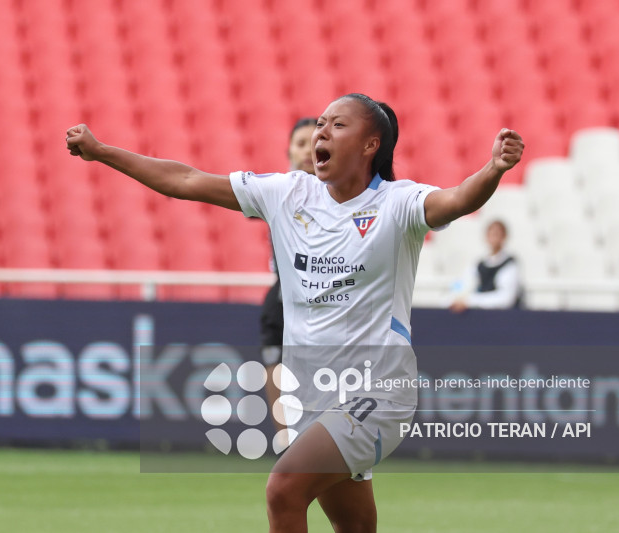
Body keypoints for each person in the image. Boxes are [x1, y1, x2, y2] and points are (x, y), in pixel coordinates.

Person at [66, 93, 523, 533]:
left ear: (370, 145)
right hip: (312, 397)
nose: (321, 131)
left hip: (377, 393)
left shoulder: (398, 203)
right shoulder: (287, 193)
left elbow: (458, 199)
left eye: (337, 124)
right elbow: (185, 180)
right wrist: (102, 151)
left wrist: (494, 168)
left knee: (283, 490)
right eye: (320, 123)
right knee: (354, 525)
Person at [261, 117, 317, 435]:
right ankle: (286, 442)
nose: (308, 150)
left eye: (315, 143)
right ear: (289, 152)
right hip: (284, 296)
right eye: (300, 144)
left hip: (329, 300)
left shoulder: (347, 196)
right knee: (277, 368)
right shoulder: (277, 191)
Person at [449, 219, 522, 311]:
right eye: (491, 234)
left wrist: (471, 301)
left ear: (504, 237)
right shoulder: (478, 265)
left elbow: (506, 299)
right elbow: (463, 284)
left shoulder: (510, 265)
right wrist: (455, 298)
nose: (494, 238)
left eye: (497, 234)